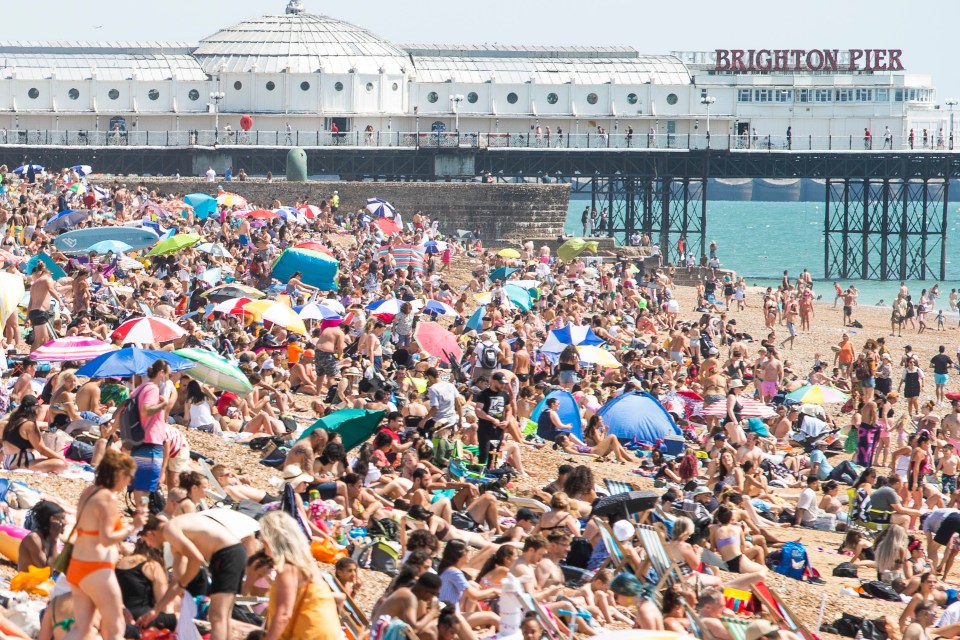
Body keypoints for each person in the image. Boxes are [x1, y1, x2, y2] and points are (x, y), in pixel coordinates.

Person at [66, 450, 145, 640]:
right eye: (128, 477)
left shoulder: (89, 491)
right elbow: (106, 538)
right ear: (119, 474)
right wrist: (134, 526)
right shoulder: (107, 498)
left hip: (77, 565)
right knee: (115, 627)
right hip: (96, 568)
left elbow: (90, 527)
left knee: (82, 629)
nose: (130, 482)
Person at [139, 513, 248, 640]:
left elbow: (196, 559)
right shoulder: (176, 538)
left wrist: (183, 583)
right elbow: (177, 582)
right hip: (232, 552)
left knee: (216, 616)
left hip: (227, 554)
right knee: (223, 616)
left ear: (150, 533)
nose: (149, 546)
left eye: (146, 541)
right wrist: (156, 610)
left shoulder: (170, 529)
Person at [259, 511, 344, 640]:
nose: (260, 540)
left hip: (308, 634)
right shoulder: (307, 564)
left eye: (263, 535)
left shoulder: (288, 568)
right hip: (324, 631)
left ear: (272, 538)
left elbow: (283, 615)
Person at [131, 361, 177, 506]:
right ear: (161, 373)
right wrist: (164, 404)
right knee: (146, 488)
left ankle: (140, 511)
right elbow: (146, 410)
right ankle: (142, 511)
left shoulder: (140, 388)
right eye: (169, 373)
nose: (169, 377)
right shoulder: (152, 389)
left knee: (140, 484)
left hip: (138, 440)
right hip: (150, 442)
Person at [18, 500, 66, 572]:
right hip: (26, 582)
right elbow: (47, 571)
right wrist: (54, 540)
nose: (65, 522)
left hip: (40, 581)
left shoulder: (49, 537)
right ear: (51, 520)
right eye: (62, 518)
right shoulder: (34, 538)